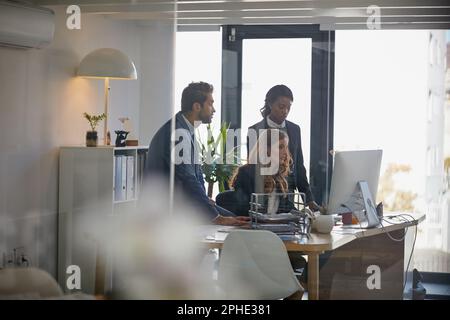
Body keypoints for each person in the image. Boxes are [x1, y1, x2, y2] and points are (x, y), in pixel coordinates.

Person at [145, 81, 249, 226]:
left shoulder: (185, 128)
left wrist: (206, 201)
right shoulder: (178, 134)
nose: (214, 110)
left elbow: (196, 175)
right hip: (171, 211)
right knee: (238, 226)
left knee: (238, 220)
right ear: (196, 106)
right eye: (210, 104)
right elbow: (189, 179)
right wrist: (215, 217)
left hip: (185, 204)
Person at [247, 84, 323, 213]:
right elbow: (253, 167)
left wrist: (309, 200)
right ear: (270, 104)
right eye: (281, 107)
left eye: (289, 107)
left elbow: (299, 166)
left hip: (287, 197)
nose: (285, 111)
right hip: (263, 196)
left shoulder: (294, 130)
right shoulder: (254, 130)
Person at [230, 129, 295, 215]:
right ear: (266, 149)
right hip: (252, 226)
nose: (285, 153)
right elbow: (244, 209)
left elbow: (287, 207)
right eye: (280, 147)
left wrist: (301, 213)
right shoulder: (246, 173)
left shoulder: (278, 176)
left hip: (273, 227)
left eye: (286, 147)